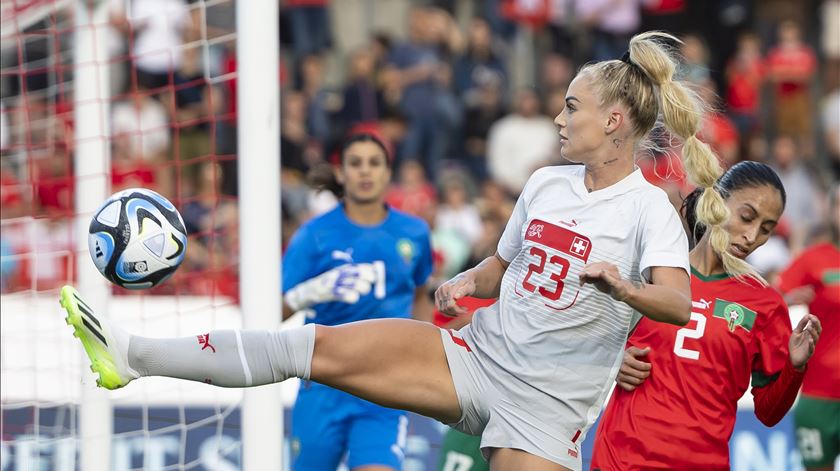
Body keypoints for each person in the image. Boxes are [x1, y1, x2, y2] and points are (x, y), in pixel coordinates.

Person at [60, 32, 739, 470]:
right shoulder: (543, 183)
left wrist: (620, 285)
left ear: (613, 120)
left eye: (571, 106)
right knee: (314, 349)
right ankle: (132, 356)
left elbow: (676, 302)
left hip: (548, 408)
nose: (560, 118)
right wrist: (465, 283)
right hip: (477, 356)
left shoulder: (650, 207)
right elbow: (504, 267)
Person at [590, 161, 823, 471]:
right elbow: (583, 344)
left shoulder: (765, 304)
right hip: (621, 458)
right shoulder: (648, 271)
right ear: (717, 203)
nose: (752, 236)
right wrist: (614, 360)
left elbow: (768, 413)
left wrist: (795, 367)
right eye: (747, 216)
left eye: (766, 229)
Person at [281, 131, 435, 471]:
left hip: (384, 385)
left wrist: (422, 351)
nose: (365, 171)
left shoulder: (415, 232)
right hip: (323, 382)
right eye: (355, 163)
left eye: (374, 163)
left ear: (387, 173)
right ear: (341, 173)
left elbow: (421, 291)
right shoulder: (314, 235)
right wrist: (311, 292)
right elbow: (272, 311)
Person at [779, 184, 840, 471]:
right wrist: (786, 300)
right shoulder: (814, 258)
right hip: (818, 394)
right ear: (830, 211)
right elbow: (767, 299)